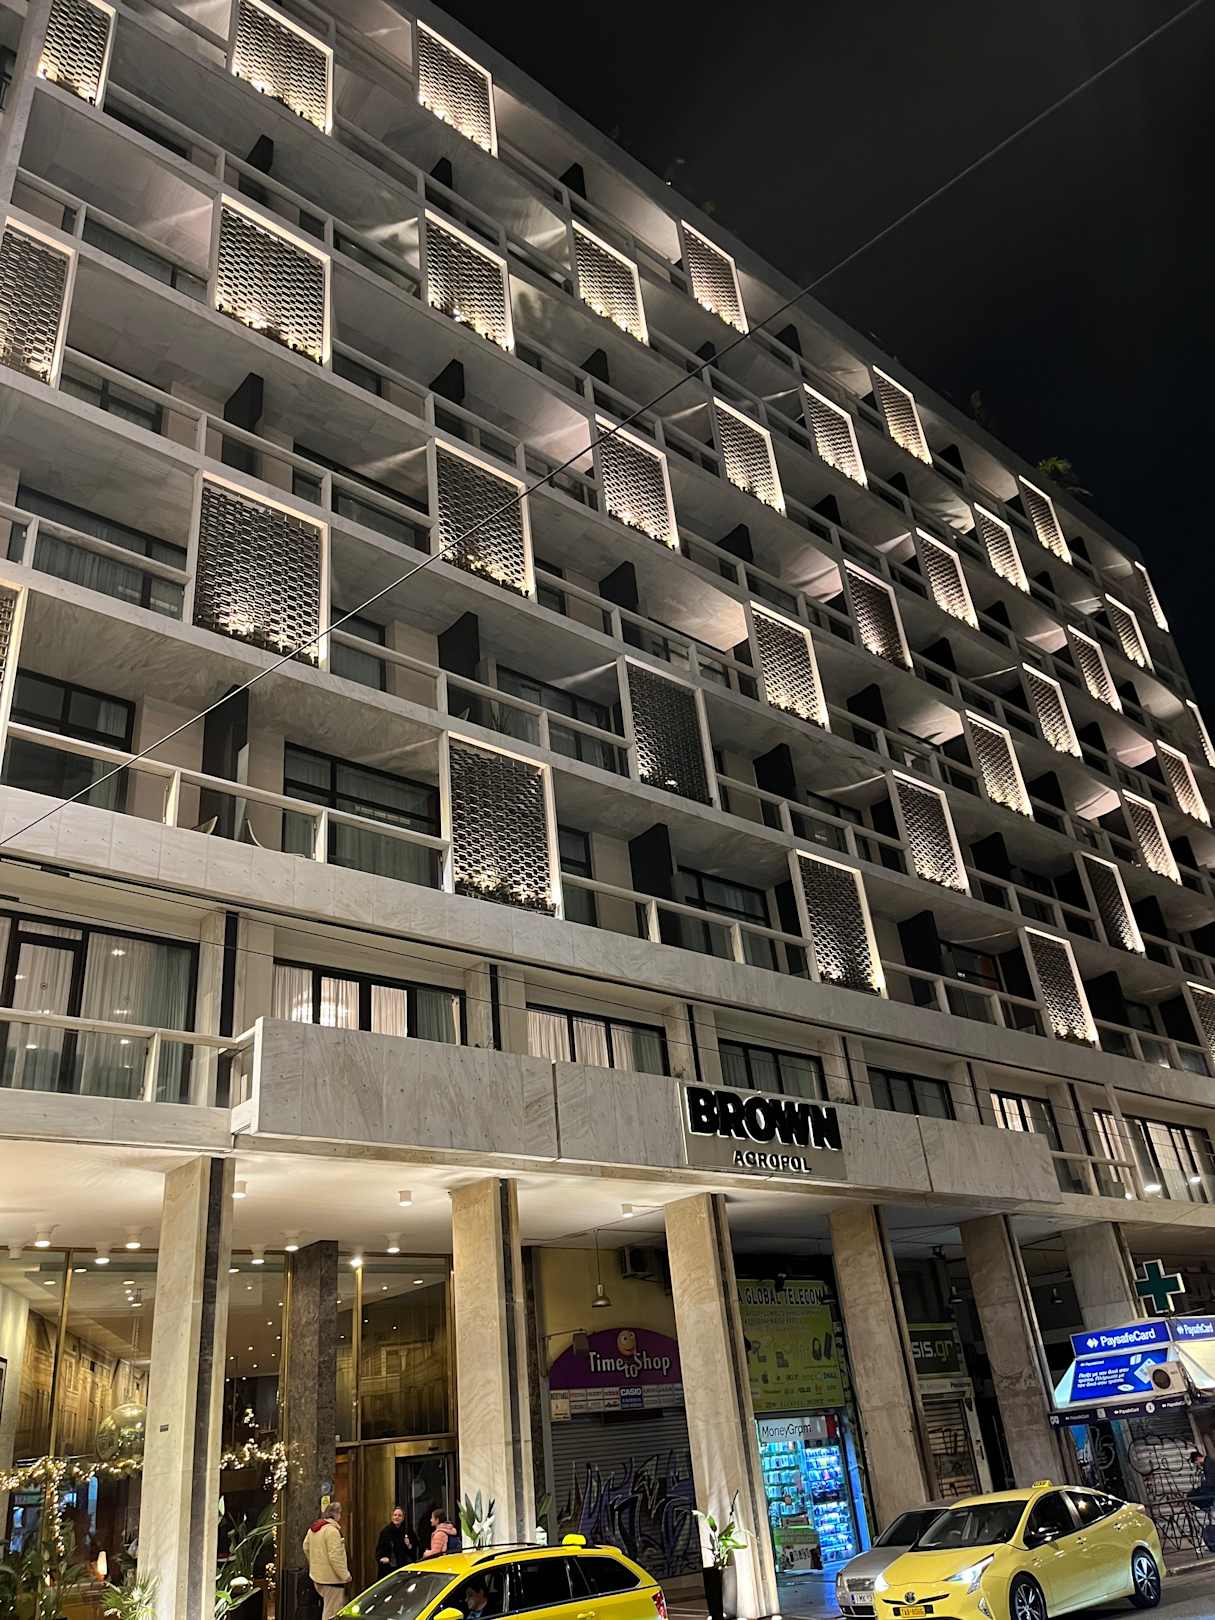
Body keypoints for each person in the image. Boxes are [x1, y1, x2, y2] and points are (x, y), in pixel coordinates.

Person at [303, 1501, 352, 1620]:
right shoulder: (332, 1531)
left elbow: (306, 1547)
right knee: (332, 1612)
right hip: (332, 1578)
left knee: (328, 1608)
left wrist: (314, 1565)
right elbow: (335, 1557)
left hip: (317, 1577)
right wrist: (345, 1575)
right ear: (336, 1514)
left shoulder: (314, 1529)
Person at [376, 1505, 416, 1573]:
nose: (397, 1517)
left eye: (399, 1515)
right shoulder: (386, 1532)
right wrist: (381, 1558)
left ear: (403, 1518)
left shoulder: (408, 1530)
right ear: (392, 1517)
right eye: (395, 1515)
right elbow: (379, 1550)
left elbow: (415, 1547)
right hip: (389, 1568)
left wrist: (409, 1545)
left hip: (404, 1567)